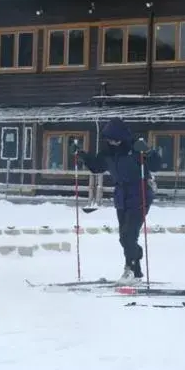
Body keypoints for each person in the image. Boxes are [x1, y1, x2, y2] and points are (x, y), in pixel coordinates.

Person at [73, 118, 162, 285]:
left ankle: (129, 268)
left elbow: (156, 165)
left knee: (129, 234)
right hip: (121, 194)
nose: (112, 142)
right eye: (109, 139)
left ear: (121, 137)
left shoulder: (135, 147)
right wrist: (81, 155)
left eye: (114, 139)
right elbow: (96, 166)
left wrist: (149, 152)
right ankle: (136, 269)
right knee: (124, 237)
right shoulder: (108, 152)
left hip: (140, 192)